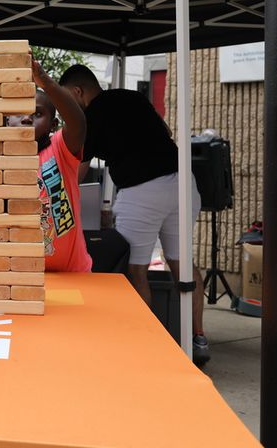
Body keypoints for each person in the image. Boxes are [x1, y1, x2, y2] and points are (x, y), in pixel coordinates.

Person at [59, 63, 209, 365]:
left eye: (66, 101)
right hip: (182, 182)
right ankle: (197, 338)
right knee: (181, 262)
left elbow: (76, 173)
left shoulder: (89, 119)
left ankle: (147, 344)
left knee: (135, 268)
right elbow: (165, 132)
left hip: (142, 192)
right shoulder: (132, 97)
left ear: (78, 91)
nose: (66, 111)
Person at [7, 60, 91, 273]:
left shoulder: (60, 148)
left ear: (53, 125)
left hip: (73, 273)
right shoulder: (1, 160)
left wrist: (45, 82)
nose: (26, 119)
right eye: (18, 113)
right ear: (7, 120)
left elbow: (78, 123)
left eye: (37, 114)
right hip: (22, 275)